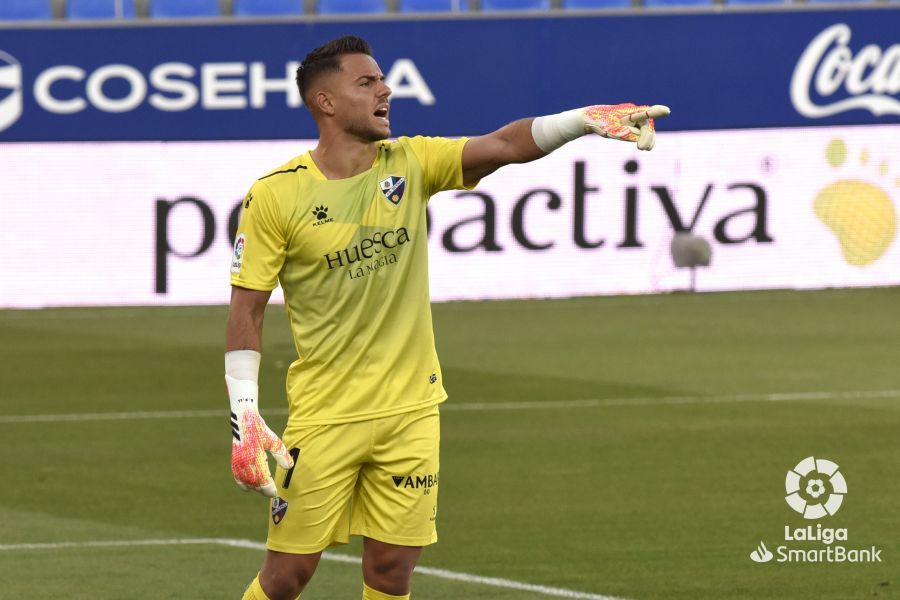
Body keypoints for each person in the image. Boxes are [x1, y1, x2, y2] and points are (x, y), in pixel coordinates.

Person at [225, 34, 669, 600]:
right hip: (325, 416)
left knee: (390, 573)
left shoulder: (411, 162)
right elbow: (247, 308)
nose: (386, 89)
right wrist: (244, 414)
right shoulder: (273, 196)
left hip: (413, 412)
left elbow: (504, 145)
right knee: (288, 576)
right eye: (367, 82)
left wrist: (581, 121)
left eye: (383, 78)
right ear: (326, 103)